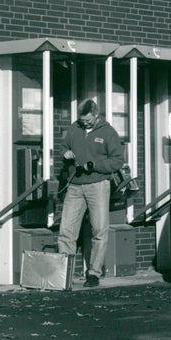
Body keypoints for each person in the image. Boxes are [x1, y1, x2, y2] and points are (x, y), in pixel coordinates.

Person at [58, 99, 124, 287]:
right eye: (82, 120)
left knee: (99, 230)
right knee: (66, 231)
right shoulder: (73, 129)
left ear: (96, 115)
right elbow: (63, 147)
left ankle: (93, 273)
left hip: (98, 184)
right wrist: (65, 154)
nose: (84, 123)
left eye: (87, 120)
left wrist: (95, 166)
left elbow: (117, 160)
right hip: (75, 186)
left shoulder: (108, 132)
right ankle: (65, 274)